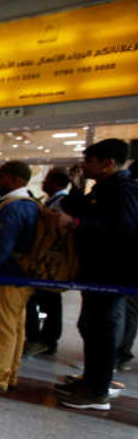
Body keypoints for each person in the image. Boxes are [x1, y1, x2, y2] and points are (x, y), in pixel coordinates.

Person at [55, 139, 138, 409]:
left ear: (108, 163)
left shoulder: (123, 190)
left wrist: (77, 224)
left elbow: (125, 231)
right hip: (97, 271)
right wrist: (77, 187)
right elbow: (75, 207)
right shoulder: (103, 188)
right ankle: (91, 380)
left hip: (112, 274)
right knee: (90, 326)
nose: (84, 164)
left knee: (104, 330)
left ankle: (98, 390)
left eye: (89, 160)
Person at [0, 161, 39, 394]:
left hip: (6, 277)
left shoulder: (11, 207)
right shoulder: (31, 204)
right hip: (23, 277)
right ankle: (10, 373)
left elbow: (0, 247)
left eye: (0, 177)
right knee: (15, 327)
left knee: (3, 328)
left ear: (15, 180)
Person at [23, 168, 71, 356]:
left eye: (47, 179)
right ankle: (42, 339)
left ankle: (44, 340)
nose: (43, 182)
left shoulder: (62, 203)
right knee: (41, 300)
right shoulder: (50, 202)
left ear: (56, 183)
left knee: (49, 301)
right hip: (44, 261)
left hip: (51, 263)